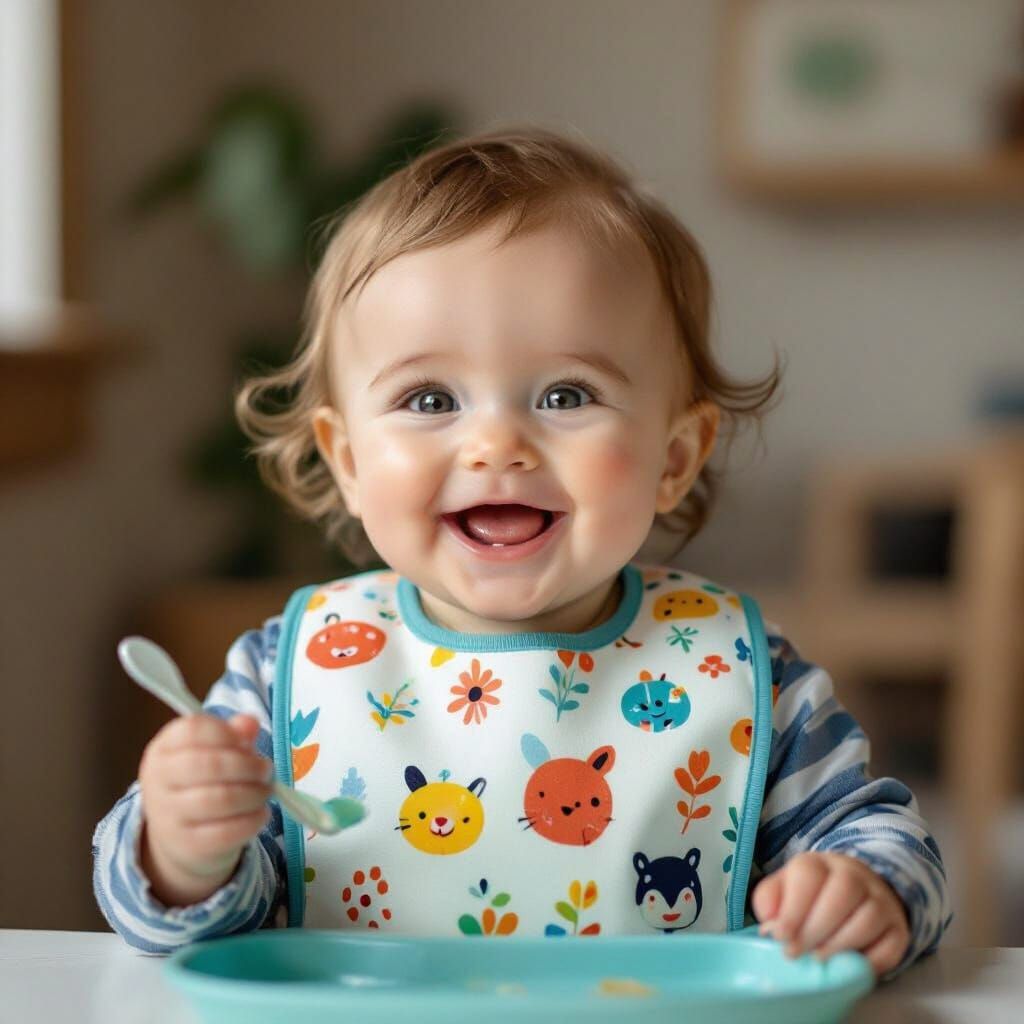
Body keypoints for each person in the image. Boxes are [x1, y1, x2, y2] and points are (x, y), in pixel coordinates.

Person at [93, 127, 950, 976]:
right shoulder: (291, 674)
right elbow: (168, 927)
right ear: (348, 460)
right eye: (429, 397)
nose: (496, 442)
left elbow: (890, 842)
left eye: (566, 393)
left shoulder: (743, 673)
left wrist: (866, 888)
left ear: (674, 457)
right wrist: (184, 853)